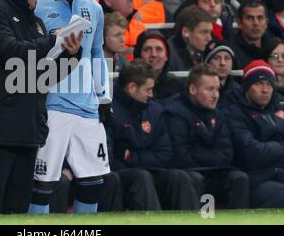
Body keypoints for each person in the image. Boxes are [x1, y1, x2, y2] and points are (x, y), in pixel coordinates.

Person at [0, 0, 82, 214]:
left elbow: (45, 76)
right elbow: (11, 53)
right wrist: (52, 41)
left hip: (28, 124)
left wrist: (70, 54)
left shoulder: (36, 23)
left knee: (18, 208)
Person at [29, 0, 111, 215]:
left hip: (87, 106)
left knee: (92, 182)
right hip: (50, 103)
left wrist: (103, 98)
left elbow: (97, 53)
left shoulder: (93, 7)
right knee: (43, 182)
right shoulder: (37, 5)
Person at [108, 60, 199, 210]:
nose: (151, 95)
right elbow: (110, 158)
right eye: (148, 89)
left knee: (179, 176)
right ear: (131, 88)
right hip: (122, 176)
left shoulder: (155, 111)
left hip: (150, 171)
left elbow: (164, 155)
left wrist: (131, 156)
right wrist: (135, 160)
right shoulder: (108, 110)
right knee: (142, 177)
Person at [165, 64, 249, 209]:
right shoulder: (175, 113)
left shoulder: (218, 114)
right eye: (210, 89)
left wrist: (198, 151)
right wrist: (211, 154)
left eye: (217, 89)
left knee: (239, 178)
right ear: (192, 89)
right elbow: (182, 156)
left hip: (215, 171)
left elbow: (226, 154)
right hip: (189, 173)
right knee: (195, 179)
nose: (216, 95)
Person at [225, 60, 284, 208]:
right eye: (259, 84)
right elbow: (252, 153)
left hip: (279, 174)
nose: (265, 90)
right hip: (254, 180)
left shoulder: (278, 107)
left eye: (269, 84)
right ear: (246, 87)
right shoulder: (233, 111)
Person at [133, 30, 185, 102]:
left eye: (159, 49)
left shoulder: (177, 87)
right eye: (147, 49)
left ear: (166, 56)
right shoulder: (128, 85)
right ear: (138, 55)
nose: (153, 54)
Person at [168, 5, 213, 72]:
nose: (209, 38)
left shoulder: (209, 51)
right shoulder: (168, 55)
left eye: (210, 32)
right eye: (204, 32)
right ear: (186, 32)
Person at [228, 0, 271, 69]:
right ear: (239, 23)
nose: (256, 23)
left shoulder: (275, 48)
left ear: (266, 23)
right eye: (250, 18)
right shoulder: (230, 51)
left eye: (260, 18)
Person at [203, 40, 239, 105]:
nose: (222, 63)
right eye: (216, 58)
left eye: (227, 58)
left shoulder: (239, 92)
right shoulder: (198, 91)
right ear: (207, 63)